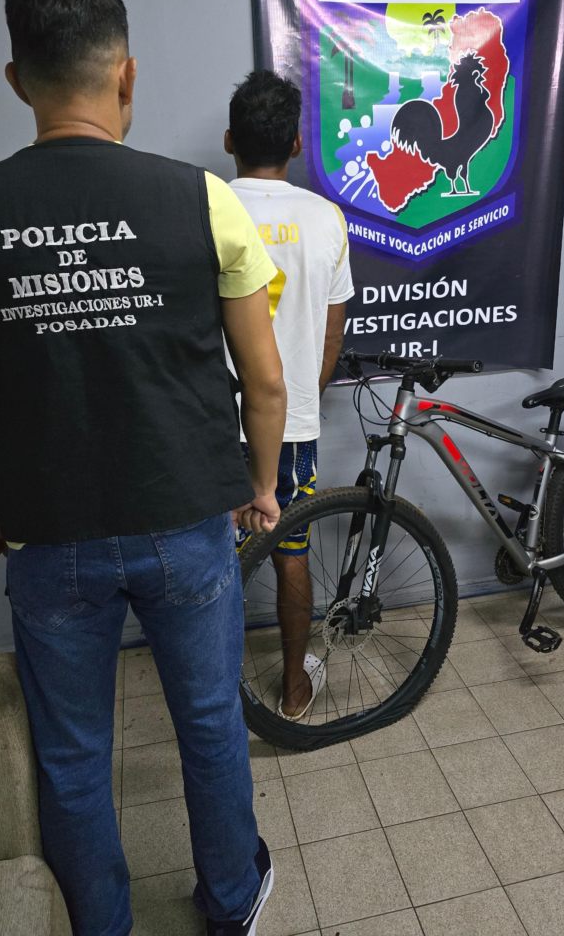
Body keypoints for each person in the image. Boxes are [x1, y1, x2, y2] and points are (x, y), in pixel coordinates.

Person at [0, 0, 287, 936]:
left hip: (45, 535)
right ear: (126, 74)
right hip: (187, 523)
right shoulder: (203, 200)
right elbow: (266, 379)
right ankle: (231, 900)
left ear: (16, 80)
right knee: (210, 724)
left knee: (72, 754)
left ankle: (100, 925)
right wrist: (261, 484)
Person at [224, 70, 354, 720]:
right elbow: (331, 335)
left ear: (230, 140)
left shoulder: (208, 208)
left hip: (214, 422)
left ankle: (215, 697)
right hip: (292, 425)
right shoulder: (325, 217)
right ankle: (295, 688)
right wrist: (301, 397)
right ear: (297, 144)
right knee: (291, 552)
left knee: (214, 562)